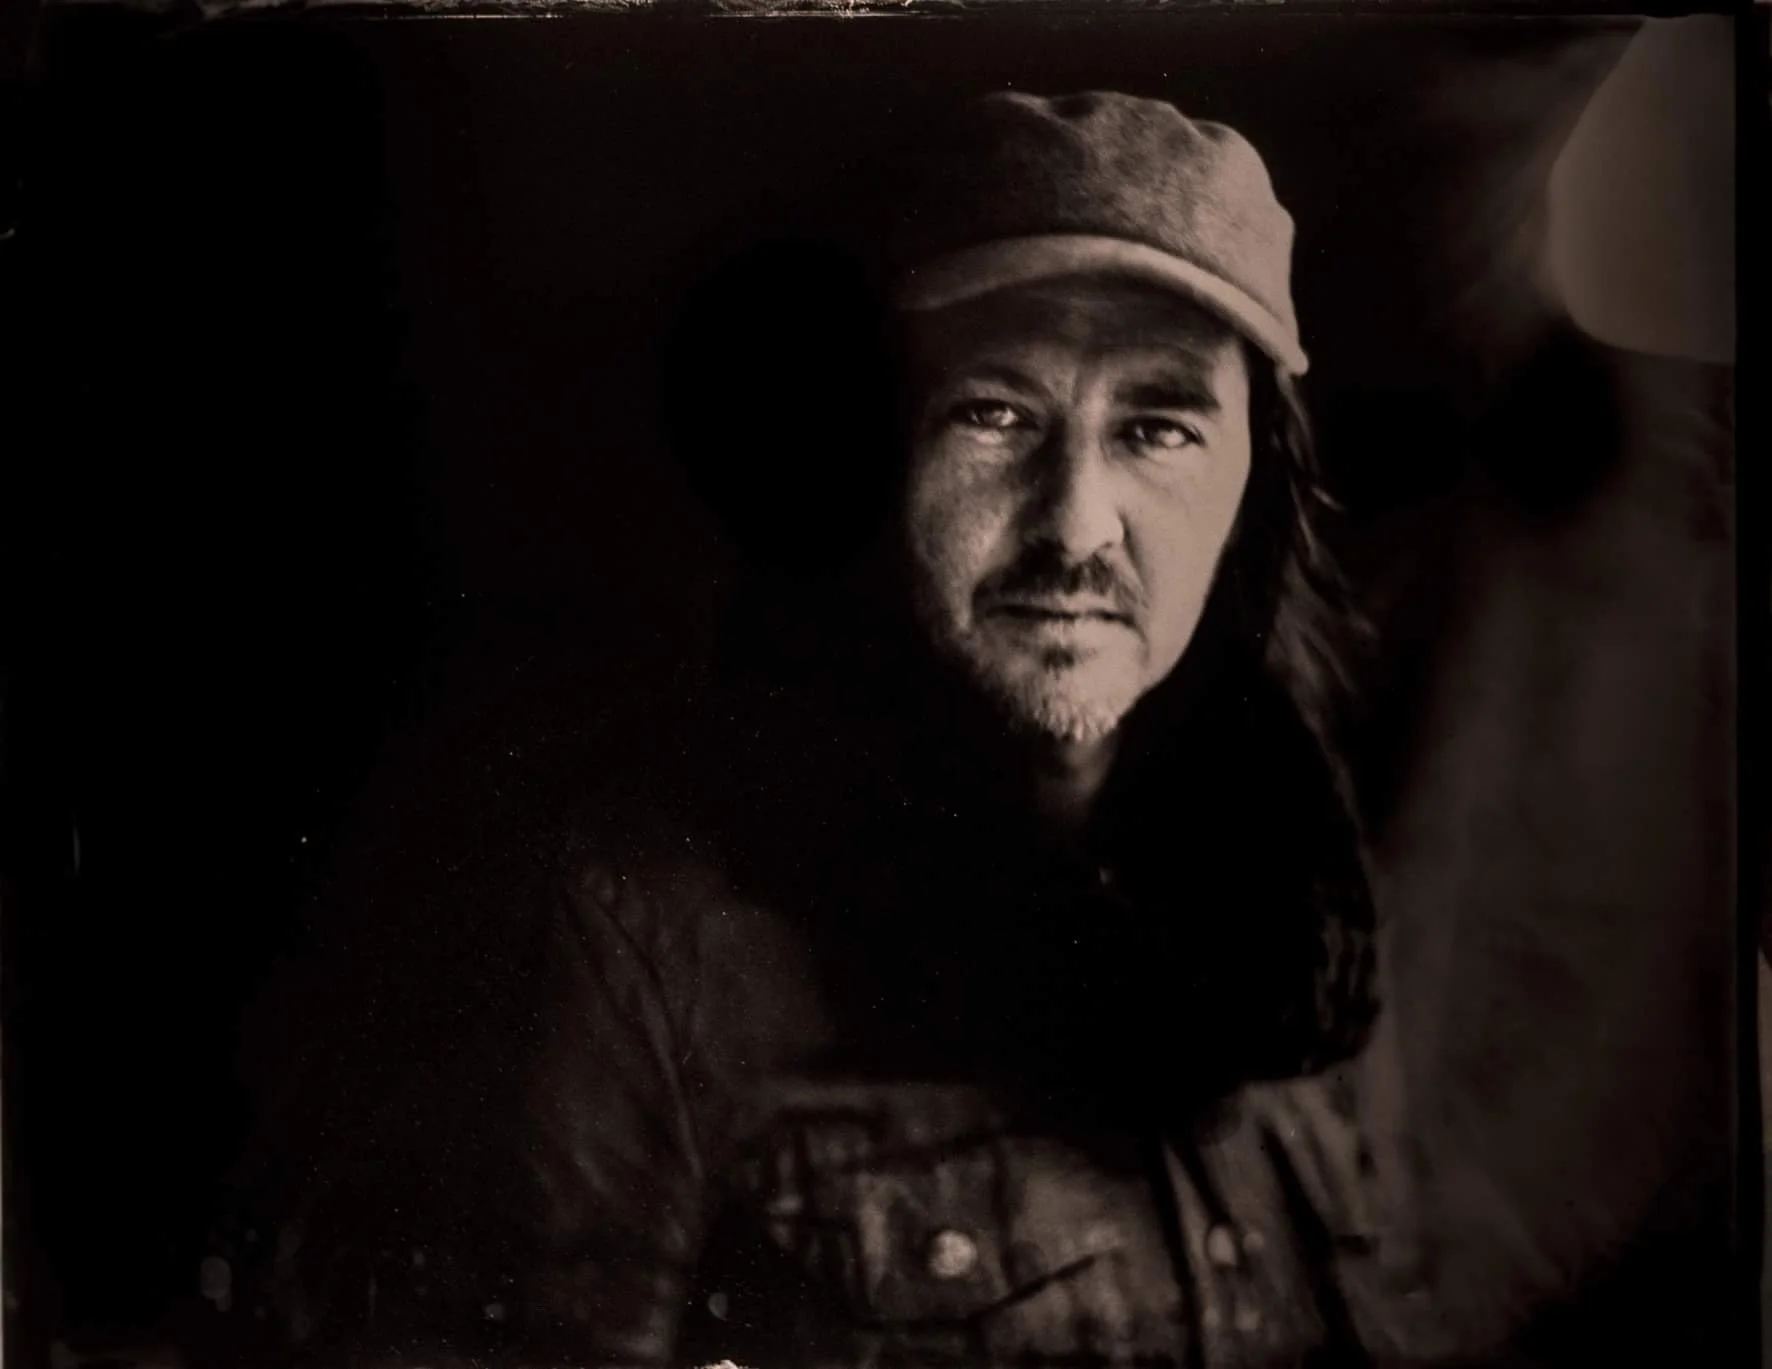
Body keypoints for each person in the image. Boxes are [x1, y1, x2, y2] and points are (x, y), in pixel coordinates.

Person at [195, 90, 1417, 1369]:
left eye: (1156, 429)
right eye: (994, 412)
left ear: (1252, 489)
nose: (1074, 524)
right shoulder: (629, 936)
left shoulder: (1300, 923)